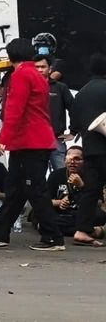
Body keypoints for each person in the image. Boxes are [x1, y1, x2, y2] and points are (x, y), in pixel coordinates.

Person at [0, 38, 65, 251]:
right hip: (34, 140)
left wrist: (2, 140)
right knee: (17, 189)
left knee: (33, 189)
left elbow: (15, 112)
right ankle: (0, 233)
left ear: (10, 57)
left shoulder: (21, 76)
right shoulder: (36, 75)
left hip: (29, 141)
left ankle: (52, 237)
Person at [69, 53, 106, 247]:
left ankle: (82, 230)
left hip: (90, 148)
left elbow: (74, 125)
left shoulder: (81, 93)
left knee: (91, 190)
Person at [39, 146, 106, 238]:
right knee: (42, 214)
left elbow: (98, 203)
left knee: (100, 216)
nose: (72, 162)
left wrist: (81, 186)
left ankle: (53, 228)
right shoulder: (56, 175)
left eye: (77, 159)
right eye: (69, 159)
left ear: (85, 161)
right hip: (62, 214)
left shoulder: (92, 176)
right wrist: (59, 202)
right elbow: (44, 200)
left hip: (81, 214)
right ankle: (89, 231)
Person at [34, 55, 74, 171]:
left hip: (56, 138)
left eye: (43, 67)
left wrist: (73, 131)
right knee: (35, 178)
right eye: (37, 67)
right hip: (34, 140)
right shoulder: (26, 87)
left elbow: (73, 108)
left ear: (50, 69)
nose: (40, 70)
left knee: (62, 175)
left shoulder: (60, 88)